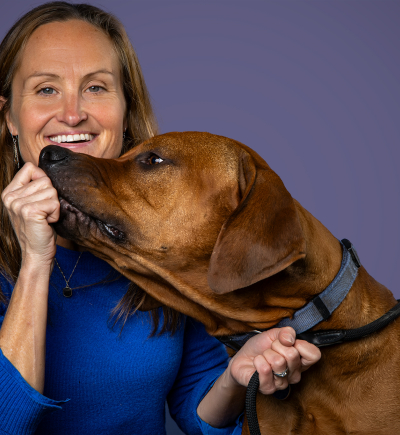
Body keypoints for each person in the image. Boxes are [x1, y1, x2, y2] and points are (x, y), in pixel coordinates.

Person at [0, 2, 321, 434]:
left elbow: (195, 407)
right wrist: (37, 262)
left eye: (96, 87)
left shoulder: (159, 240)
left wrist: (234, 376)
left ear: (126, 109)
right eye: (45, 89)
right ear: (8, 117)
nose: (73, 113)